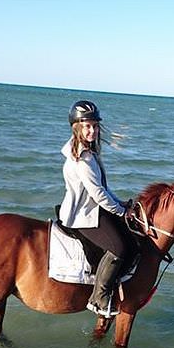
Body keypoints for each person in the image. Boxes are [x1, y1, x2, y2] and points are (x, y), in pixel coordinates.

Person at [58, 100, 134, 318]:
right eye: (87, 126)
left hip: (90, 209)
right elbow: (99, 195)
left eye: (95, 126)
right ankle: (99, 299)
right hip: (82, 215)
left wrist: (121, 203)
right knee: (119, 248)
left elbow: (103, 189)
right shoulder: (83, 158)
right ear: (77, 127)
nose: (92, 130)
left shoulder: (88, 152)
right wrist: (121, 212)